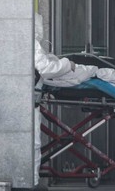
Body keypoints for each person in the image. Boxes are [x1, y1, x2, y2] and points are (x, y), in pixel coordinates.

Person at [34, 13, 75, 191]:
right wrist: (68, 64)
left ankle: (30, 180)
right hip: (29, 100)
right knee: (33, 143)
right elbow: (46, 68)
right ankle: (31, 182)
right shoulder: (32, 43)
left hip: (26, 97)